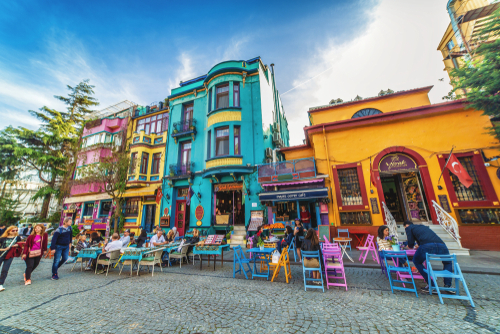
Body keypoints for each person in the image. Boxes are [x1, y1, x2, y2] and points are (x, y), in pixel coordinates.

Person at [404, 221, 453, 293]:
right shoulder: (422, 226)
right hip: (441, 244)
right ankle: (448, 286)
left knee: (417, 261)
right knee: (447, 262)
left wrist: (407, 246)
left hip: (427, 245)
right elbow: (426, 237)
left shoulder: (409, 228)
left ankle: (431, 286)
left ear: (406, 226)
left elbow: (411, 244)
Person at [0, 226, 21, 292]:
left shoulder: (17, 238)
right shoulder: (2, 238)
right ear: (8, 231)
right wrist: (4, 249)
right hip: (1, 254)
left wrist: (16, 245)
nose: (15, 232)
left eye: (16, 230)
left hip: (10, 255)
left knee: (5, 269)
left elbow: (20, 245)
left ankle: (0, 284)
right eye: (13, 230)